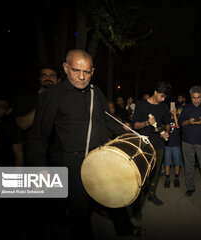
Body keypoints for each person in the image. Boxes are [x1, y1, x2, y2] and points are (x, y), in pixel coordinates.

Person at [26, 49, 146, 239]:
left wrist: (130, 133)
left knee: (114, 196)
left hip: (102, 156)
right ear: (65, 68)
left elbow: (107, 119)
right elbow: (37, 135)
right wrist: (39, 168)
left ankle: (126, 230)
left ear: (93, 71)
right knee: (79, 211)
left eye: (87, 72)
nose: (81, 77)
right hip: (75, 162)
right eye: (76, 70)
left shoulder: (95, 91)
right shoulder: (53, 95)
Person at [132, 81, 172, 206]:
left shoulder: (164, 107)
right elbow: (135, 125)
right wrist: (147, 123)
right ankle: (137, 201)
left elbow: (167, 123)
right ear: (155, 92)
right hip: (144, 144)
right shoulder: (141, 105)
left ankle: (152, 194)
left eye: (165, 97)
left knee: (155, 172)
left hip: (159, 144)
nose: (163, 99)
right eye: (161, 96)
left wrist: (166, 132)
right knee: (141, 173)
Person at [0, 91, 25, 239]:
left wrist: (18, 180)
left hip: (6, 175)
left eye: (0, 107)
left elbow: (19, 153)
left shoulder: (11, 129)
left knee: (7, 212)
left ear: (8, 110)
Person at [13, 65, 61, 132]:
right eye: (44, 75)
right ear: (39, 79)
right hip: (36, 140)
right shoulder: (26, 98)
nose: (48, 78)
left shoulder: (66, 97)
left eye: (52, 75)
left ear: (58, 80)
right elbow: (23, 125)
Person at [164, 105, 182, 188]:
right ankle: (167, 178)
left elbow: (178, 127)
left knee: (177, 162)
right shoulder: (166, 119)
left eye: (174, 108)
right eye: (171, 108)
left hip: (176, 145)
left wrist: (175, 115)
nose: (172, 109)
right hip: (167, 145)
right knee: (167, 163)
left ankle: (176, 178)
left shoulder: (178, 119)